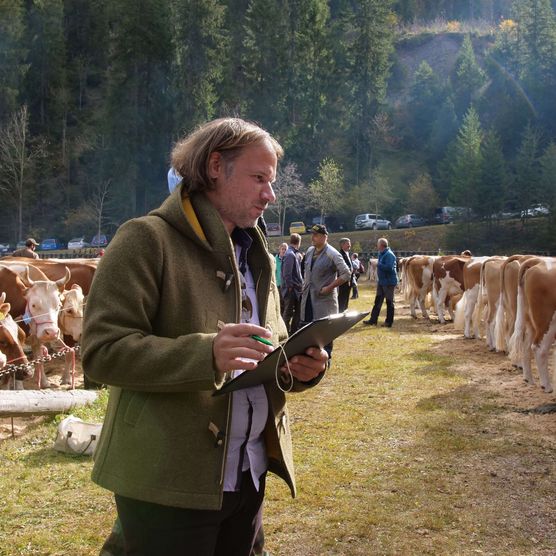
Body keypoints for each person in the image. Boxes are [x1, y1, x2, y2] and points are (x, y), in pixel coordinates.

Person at [82, 117, 328, 556]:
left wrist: (297, 366)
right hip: (166, 483)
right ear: (216, 166)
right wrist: (206, 354)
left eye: (270, 182)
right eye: (259, 179)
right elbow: (101, 352)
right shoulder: (144, 239)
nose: (270, 195)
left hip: (248, 473)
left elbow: (272, 342)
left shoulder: (257, 254)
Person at [300, 224, 351, 357]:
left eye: (316, 235)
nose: (313, 237)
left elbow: (346, 274)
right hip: (308, 299)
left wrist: (329, 287)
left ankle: (325, 360)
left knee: (324, 334)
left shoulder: (332, 254)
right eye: (312, 234)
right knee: (306, 331)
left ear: (325, 237)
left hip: (324, 302)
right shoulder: (310, 251)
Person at [364, 237, 397, 327]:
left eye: (378, 244)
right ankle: (373, 320)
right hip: (382, 282)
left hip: (389, 282)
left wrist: (377, 264)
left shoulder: (389, 255)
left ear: (381, 245)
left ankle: (389, 322)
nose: (376, 245)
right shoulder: (381, 253)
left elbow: (389, 268)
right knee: (378, 301)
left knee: (389, 302)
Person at [280, 233, 303, 334]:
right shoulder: (290, 254)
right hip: (291, 289)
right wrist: (290, 287)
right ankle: (285, 333)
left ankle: (293, 332)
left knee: (298, 312)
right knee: (288, 313)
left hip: (296, 288)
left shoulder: (294, 253)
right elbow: (287, 273)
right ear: (299, 242)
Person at [337, 238, 353, 312]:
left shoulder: (347, 253)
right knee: (342, 297)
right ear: (342, 245)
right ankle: (341, 311)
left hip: (349, 280)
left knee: (347, 296)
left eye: (349, 243)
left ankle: (345, 310)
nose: (349, 245)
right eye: (348, 243)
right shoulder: (340, 255)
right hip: (343, 280)